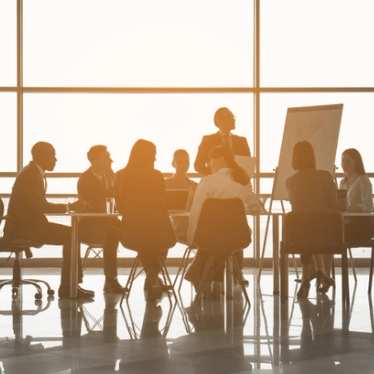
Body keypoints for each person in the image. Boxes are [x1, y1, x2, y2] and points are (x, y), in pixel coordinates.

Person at [4, 142, 94, 299]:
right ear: (42, 156)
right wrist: (69, 206)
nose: (55, 159)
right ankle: (69, 287)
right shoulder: (31, 175)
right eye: (52, 155)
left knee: (72, 234)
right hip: (24, 228)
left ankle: (71, 285)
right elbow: (40, 206)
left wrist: (68, 207)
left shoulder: (33, 172)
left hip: (27, 225)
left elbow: (36, 206)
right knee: (72, 235)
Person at [104, 139, 176, 300]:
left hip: (132, 234)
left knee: (145, 240)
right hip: (160, 233)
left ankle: (152, 277)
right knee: (157, 241)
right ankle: (153, 276)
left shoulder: (121, 175)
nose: (155, 159)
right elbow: (163, 203)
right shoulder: (157, 176)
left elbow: (120, 207)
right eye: (153, 156)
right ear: (148, 157)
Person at [185, 145, 254, 291]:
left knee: (213, 243)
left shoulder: (208, 181)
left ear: (219, 159)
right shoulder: (243, 180)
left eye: (209, 161)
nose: (208, 165)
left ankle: (204, 276)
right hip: (237, 237)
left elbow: (196, 211)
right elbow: (254, 206)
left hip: (211, 237)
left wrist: (192, 238)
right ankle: (217, 279)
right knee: (225, 245)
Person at [286, 141, 338, 299]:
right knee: (320, 231)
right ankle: (322, 274)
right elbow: (334, 205)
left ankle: (307, 278)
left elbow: (297, 207)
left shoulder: (290, 181)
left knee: (308, 234)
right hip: (325, 233)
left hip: (300, 236)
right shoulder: (325, 176)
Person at [77, 145, 126, 293]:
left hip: (108, 222)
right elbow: (94, 204)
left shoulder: (110, 176)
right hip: (89, 225)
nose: (110, 160)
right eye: (106, 156)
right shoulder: (85, 179)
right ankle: (111, 280)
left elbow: (118, 200)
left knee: (133, 227)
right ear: (96, 160)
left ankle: (152, 274)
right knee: (112, 233)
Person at [194, 107, 251, 176]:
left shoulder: (242, 141)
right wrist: (213, 175)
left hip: (237, 183)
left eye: (233, 116)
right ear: (219, 121)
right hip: (216, 184)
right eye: (230, 117)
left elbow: (248, 164)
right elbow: (198, 165)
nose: (234, 119)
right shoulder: (207, 140)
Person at [340, 148, 374, 242]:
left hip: (360, 225)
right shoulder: (342, 182)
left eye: (348, 161)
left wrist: (352, 208)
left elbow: (369, 207)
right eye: (343, 160)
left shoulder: (363, 180)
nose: (344, 164)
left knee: (329, 233)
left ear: (356, 162)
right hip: (346, 223)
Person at [165, 149, 197, 242]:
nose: (184, 165)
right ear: (173, 163)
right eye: (180, 162)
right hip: (170, 225)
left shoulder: (194, 186)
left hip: (187, 226)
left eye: (186, 162)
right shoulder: (164, 184)